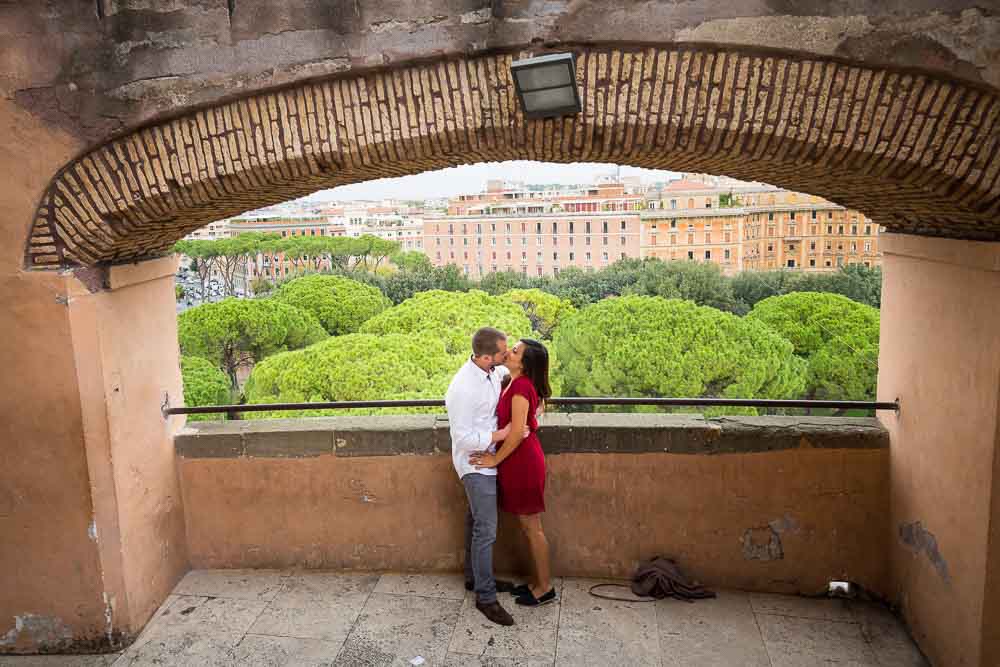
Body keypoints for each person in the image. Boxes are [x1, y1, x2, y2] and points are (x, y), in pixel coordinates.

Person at [470, 338, 555, 607]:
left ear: (525, 363)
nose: (509, 352)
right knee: (527, 526)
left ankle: (545, 588)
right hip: (517, 461)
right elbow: (528, 415)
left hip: (523, 463)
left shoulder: (520, 387)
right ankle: (536, 583)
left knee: (532, 528)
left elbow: (517, 432)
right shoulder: (511, 382)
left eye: (515, 351)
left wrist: (494, 459)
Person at [445, 327, 519, 626]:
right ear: (487, 356)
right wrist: (500, 434)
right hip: (475, 464)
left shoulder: (490, 370)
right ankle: (485, 597)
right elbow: (462, 438)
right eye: (503, 353)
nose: (507, 356)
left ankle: (475, 578)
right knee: (486, 529)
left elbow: (505, 381)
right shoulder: (462, 388)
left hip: (488, 458)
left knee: (476, 521)